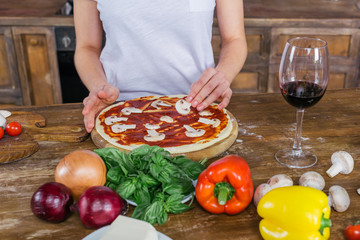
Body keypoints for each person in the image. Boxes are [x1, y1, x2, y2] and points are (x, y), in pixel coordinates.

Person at [74, 0, 247, 133]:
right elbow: (87, 47)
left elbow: (234, 39)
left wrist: (221, 76)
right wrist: (99, 87)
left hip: (198, 109)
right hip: (118, 110)